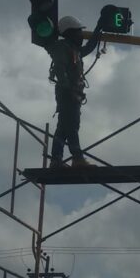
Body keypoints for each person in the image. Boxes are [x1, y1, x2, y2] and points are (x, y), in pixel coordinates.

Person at [47, 15, 102, 168]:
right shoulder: (62, 47)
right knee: (71, 125)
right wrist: (67, 86)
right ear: (70, 32)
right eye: (78, 32)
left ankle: (56, 160)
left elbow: (89, 48)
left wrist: (99, 27)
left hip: (72, 93)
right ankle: (77, 158)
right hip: (67, 93)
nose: (81, 35)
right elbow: (59, 67)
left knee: (64, 127)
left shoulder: (73, 49)